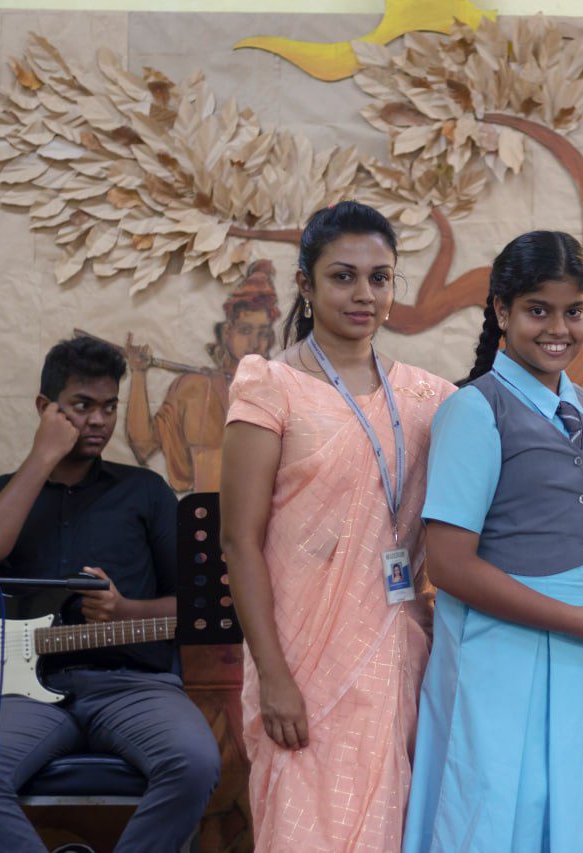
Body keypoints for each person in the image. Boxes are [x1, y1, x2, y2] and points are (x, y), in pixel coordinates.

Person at [402, 231, 583, 852]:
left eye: (574, 310)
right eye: (538, 310)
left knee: (577, 813)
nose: (558, 327)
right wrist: (576, 621)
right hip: (498, 651)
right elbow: (449, 566)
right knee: (500, 808)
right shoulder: (474, 411)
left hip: (582, 649)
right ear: (501, 311)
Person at [219, 202, 454, 851]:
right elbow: (239, 542)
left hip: (394, 653)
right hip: (298, 660)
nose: (364, 294)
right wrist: (274, 675)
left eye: (380, 277)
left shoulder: (427, 397)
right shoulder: (270, 387)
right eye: (344, 276)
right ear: (306, 283)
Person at [0, 337, 219, 853]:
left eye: (109, 407)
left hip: (133, 686)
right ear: (46, 408)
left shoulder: (146, 492)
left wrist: (125, 609)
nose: (99, 421)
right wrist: (44, 457)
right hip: (19, 693)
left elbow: (197, 605)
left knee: (196, 762)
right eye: (82, 406)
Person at [125, 259, 280, 492]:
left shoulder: (278, 392)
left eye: (263, 333)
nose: (255, 343)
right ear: (228, 331)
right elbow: (143, 445)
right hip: (201, 517)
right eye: (245, 330)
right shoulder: (192, 387)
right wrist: (138, 374)